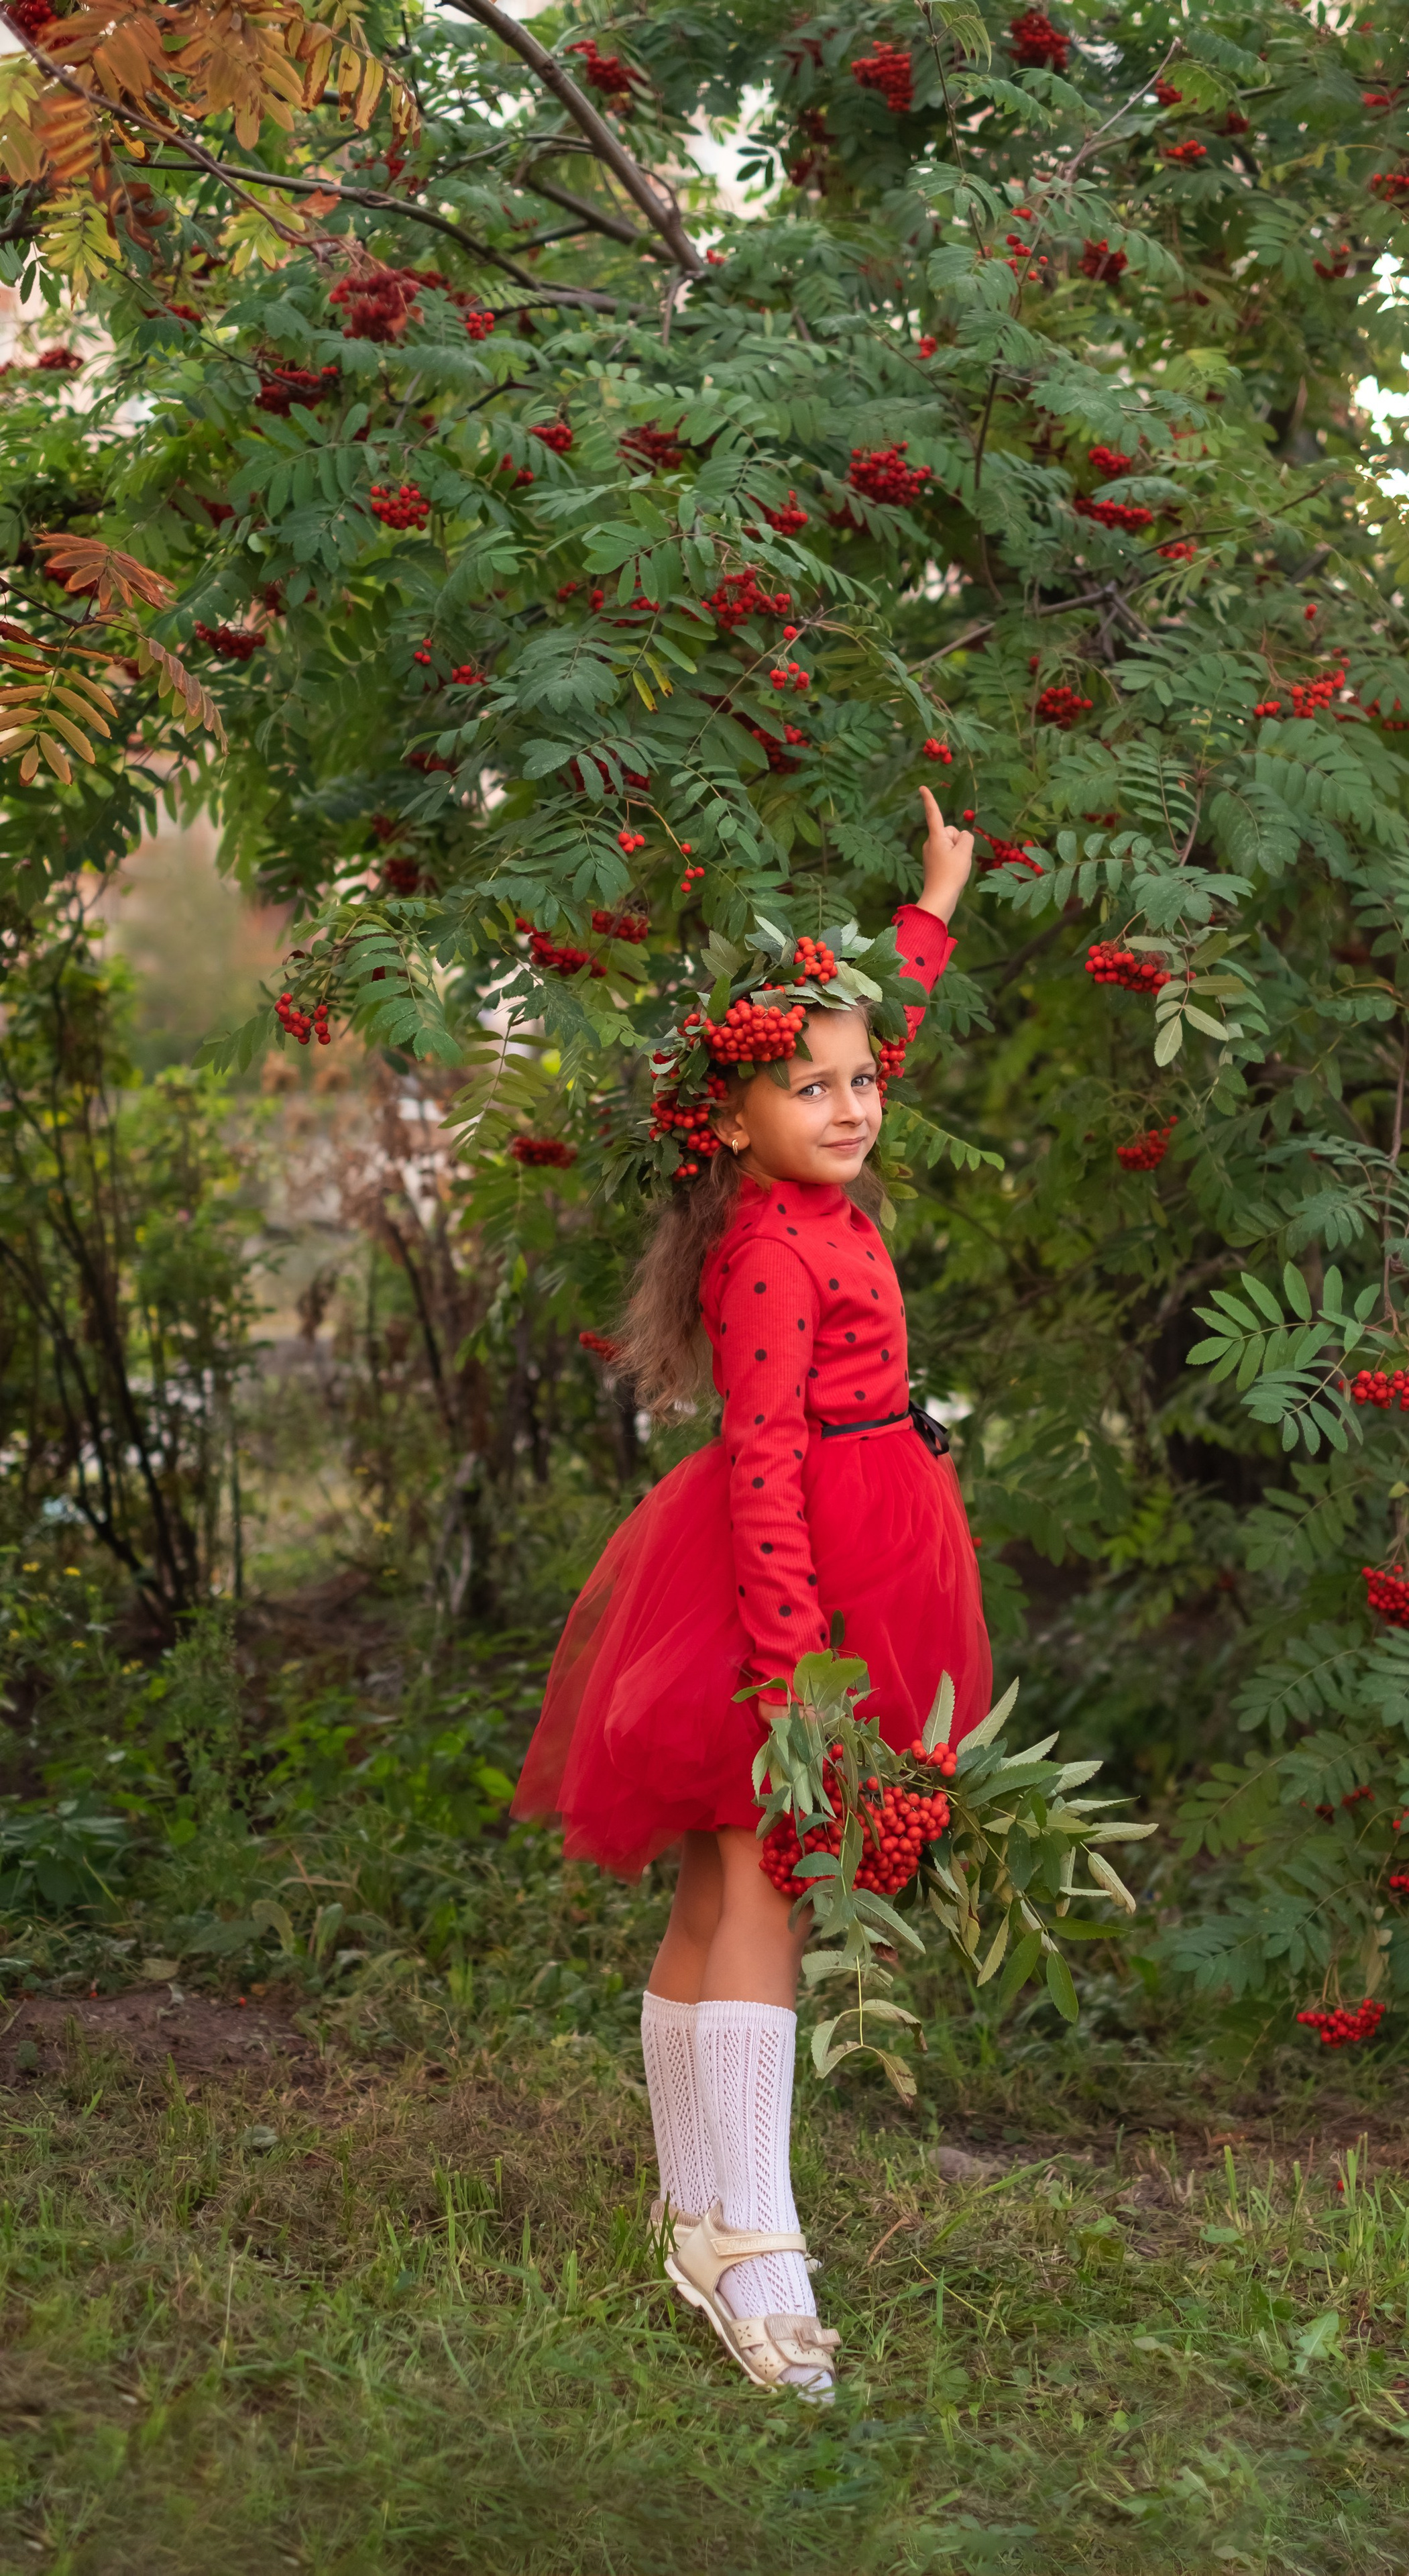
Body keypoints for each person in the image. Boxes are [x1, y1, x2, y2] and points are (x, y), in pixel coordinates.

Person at [513, 789, 991, 2397]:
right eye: (813, 1087)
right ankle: (753, 2241)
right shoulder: (772, 1250)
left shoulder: (811, 1179)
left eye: (862, 1082)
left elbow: (867, 1030)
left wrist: (930, 905)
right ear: (730, 1121)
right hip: (791, 1595)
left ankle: (689, 2205)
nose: (853, 1106)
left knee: (722, 1895)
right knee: (770, 1885)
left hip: (862, 1552)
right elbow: (765, 1463)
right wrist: (794, 1682)